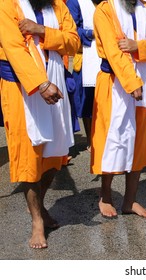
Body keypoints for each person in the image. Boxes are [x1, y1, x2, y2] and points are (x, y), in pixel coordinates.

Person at [0, 0, 79, 248]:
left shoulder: (58, 6)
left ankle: (40, 206)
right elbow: (14, 48)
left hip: (55, 79)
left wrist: (42, 31)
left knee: (56, 156)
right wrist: (40, 84)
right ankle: (37, 222)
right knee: (30, 158)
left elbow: (74, 42)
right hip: (21, 88)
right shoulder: (6, 4)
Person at [92, 0, 146, 218]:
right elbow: (114, 50)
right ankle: (105, 196)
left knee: (139, 144)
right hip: (115, 84)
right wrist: (131, 82)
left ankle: (130, 200)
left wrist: (139, 46)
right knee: (113, 140)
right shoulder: (104, 10)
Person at [66, 0, 103, 151]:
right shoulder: (75, 2)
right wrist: (91, 33)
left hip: (108, 54)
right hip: (86, 57)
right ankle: (91, 137)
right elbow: (72, 29)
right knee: (87, 101)